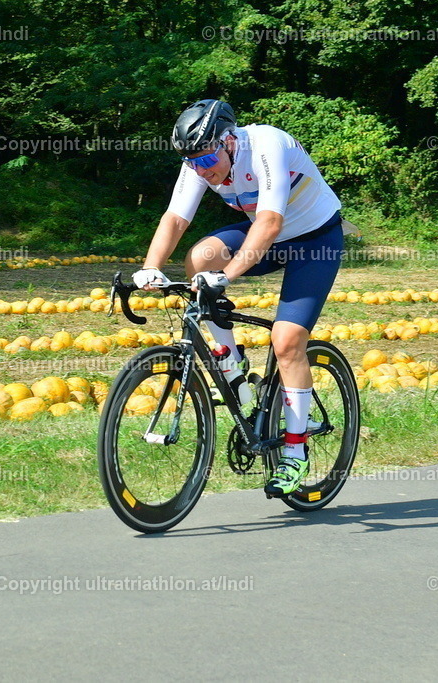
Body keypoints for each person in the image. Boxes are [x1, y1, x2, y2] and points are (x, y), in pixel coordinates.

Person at [132, 98, 345, 497]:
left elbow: (269, 221)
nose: (203, 168)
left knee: (286, 342)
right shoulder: (199, 159)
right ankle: (229, 356)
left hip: (313, 241)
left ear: (228, 140)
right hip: (268, 240)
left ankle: (296, 453)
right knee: (199, 257)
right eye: (194, 162)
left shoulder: (267, 146)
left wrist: (226, 278)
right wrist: (150, 266)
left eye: (208, 157)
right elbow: (176, 218)